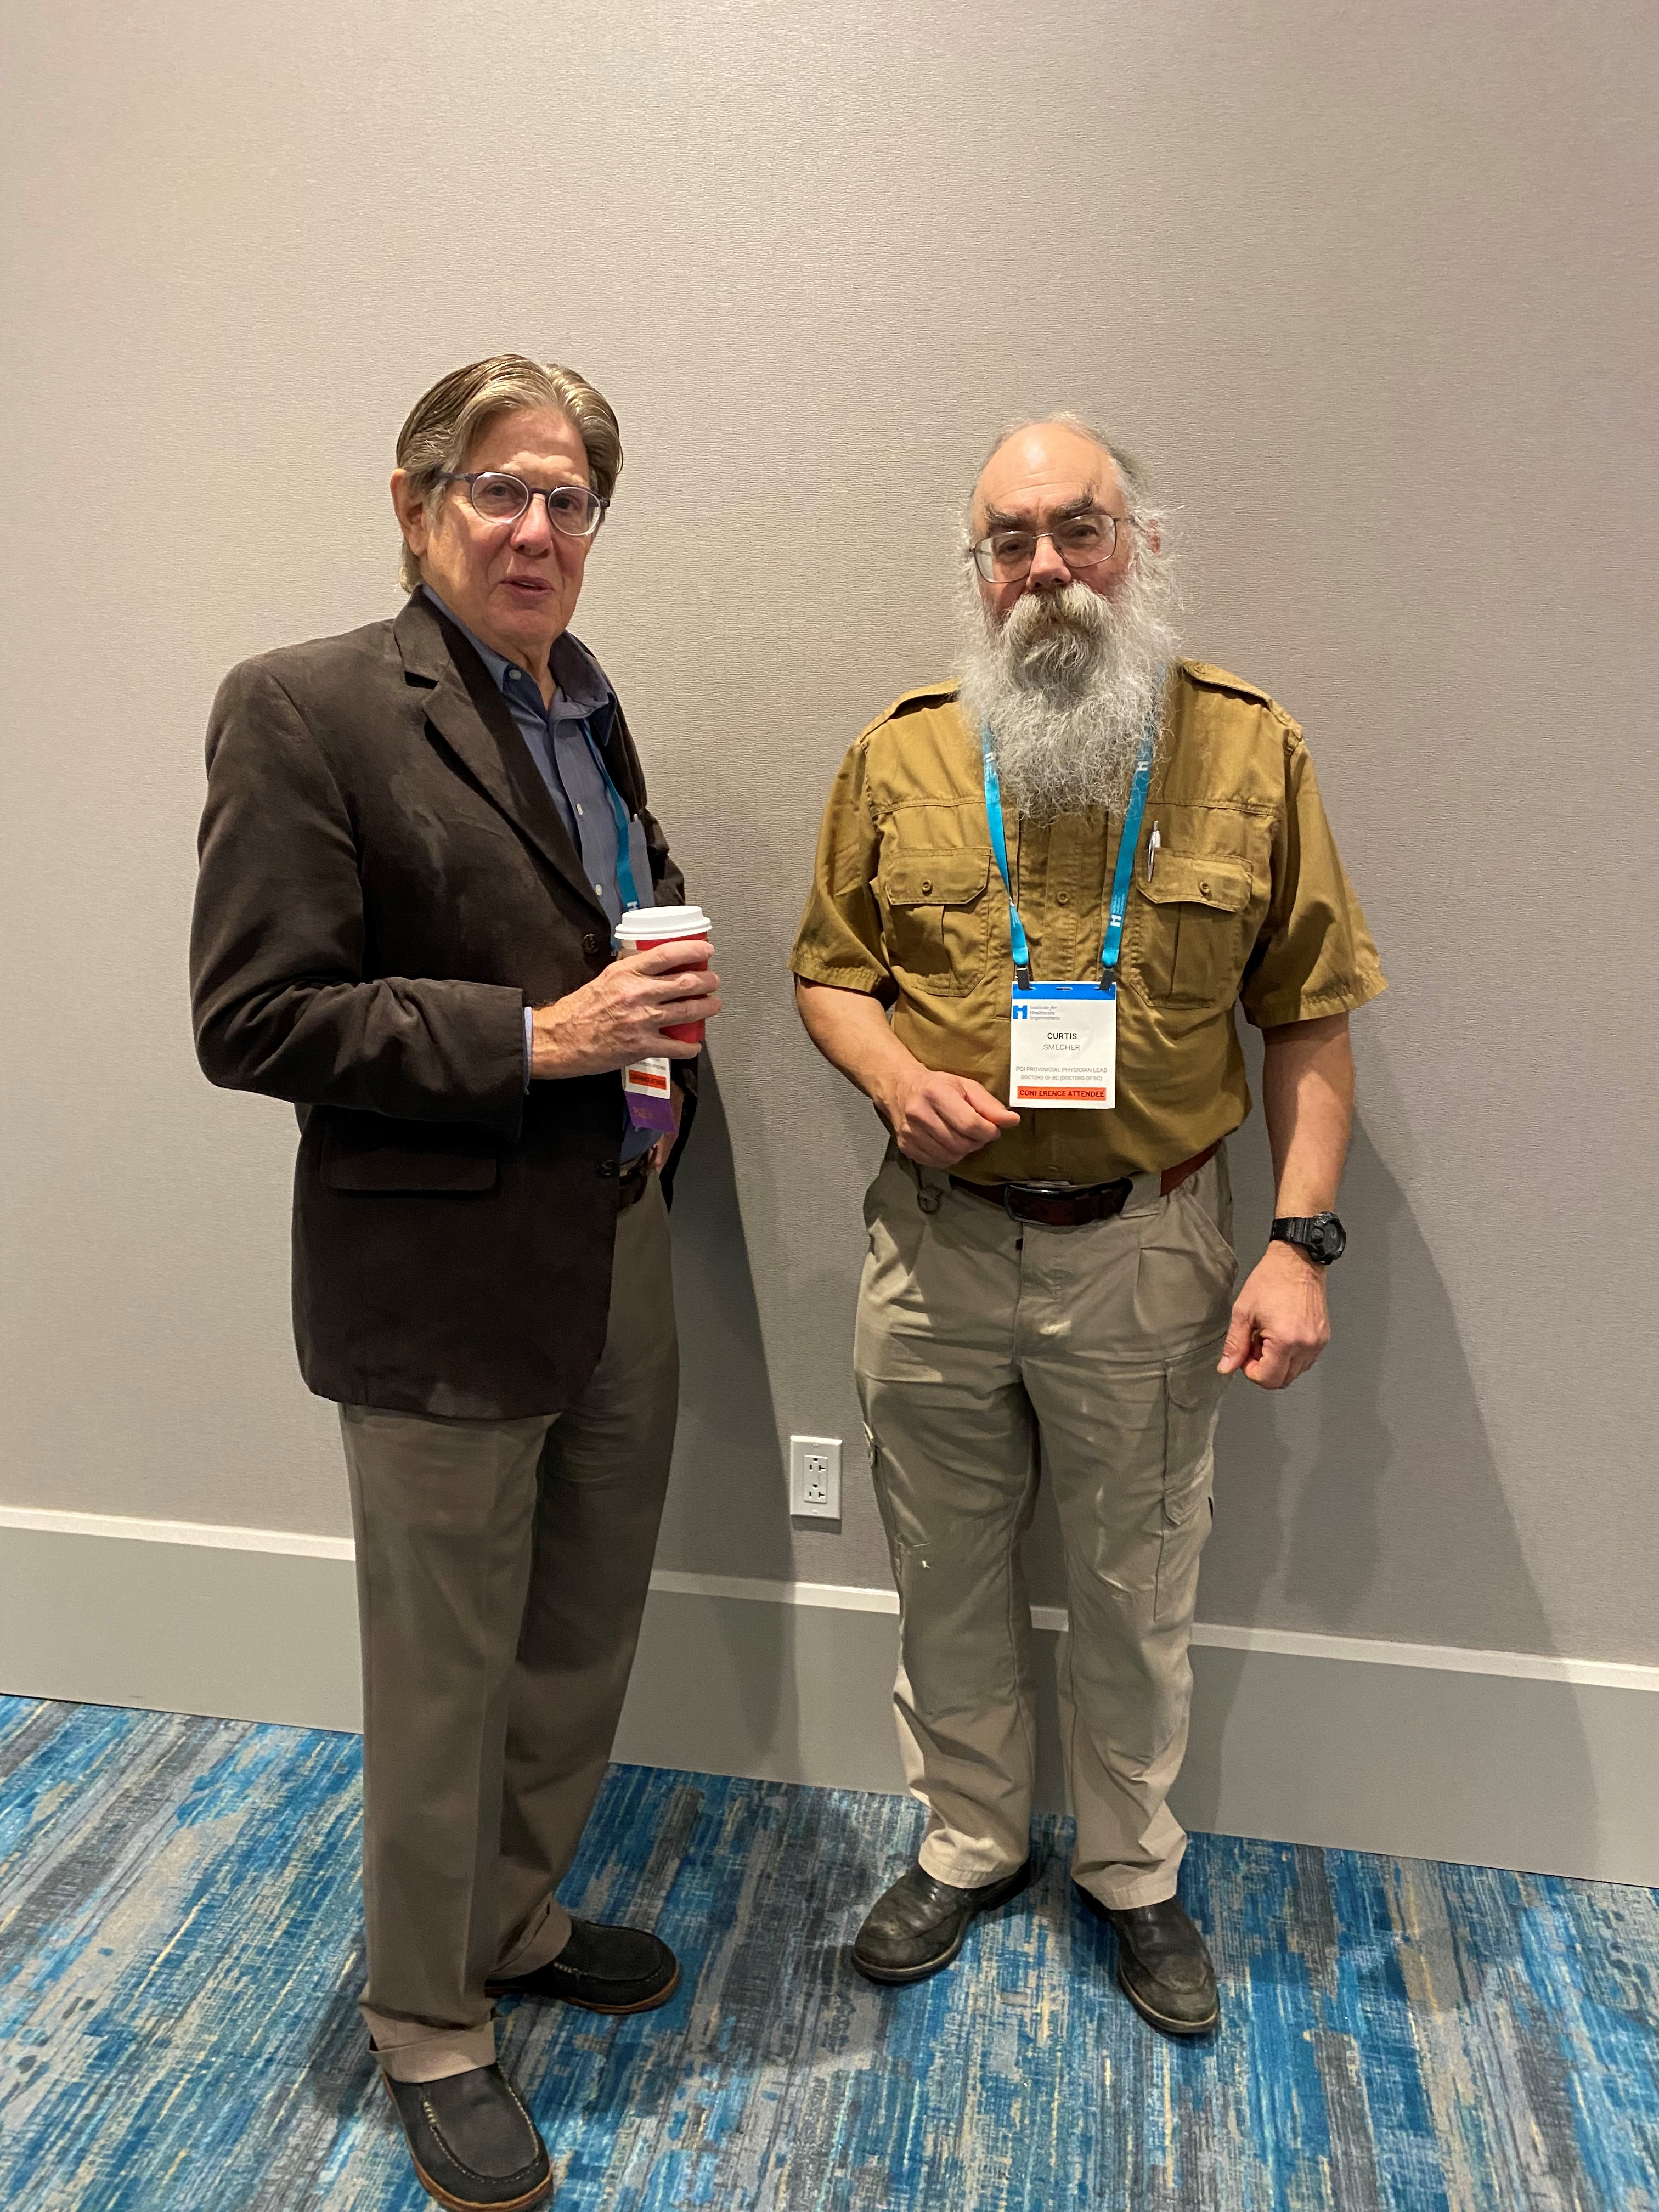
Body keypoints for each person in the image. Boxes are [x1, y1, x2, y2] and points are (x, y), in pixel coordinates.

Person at [190, 354, 720, 2209]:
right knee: (442, 1674)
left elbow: (603, 933)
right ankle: (426, 2020)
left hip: (619, 1240)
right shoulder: (305, 705)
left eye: (570, 499)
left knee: (581, 1626)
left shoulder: (587, 706)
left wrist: (653, 1040)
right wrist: (543, 1037)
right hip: (439, 1280)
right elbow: (255, 1016)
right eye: (499, 489)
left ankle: (511, 1919)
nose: (536, 529)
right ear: (416, 504)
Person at [790, 415, 1384, 2038]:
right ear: (977, 569)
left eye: (1080, 529)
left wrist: (1301, 1244)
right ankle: (971, 1841)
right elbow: (830, 972)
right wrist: (894, 1076)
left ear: (1143, 546)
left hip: (1150, 1247)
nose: (1047, 567)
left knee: (1138, 1582)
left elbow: (1309, 1016)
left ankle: (1131, 1870)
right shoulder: (901, 754)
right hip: (935, 1246)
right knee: (943, 1570)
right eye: (1012, 541)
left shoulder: (1250, 753)